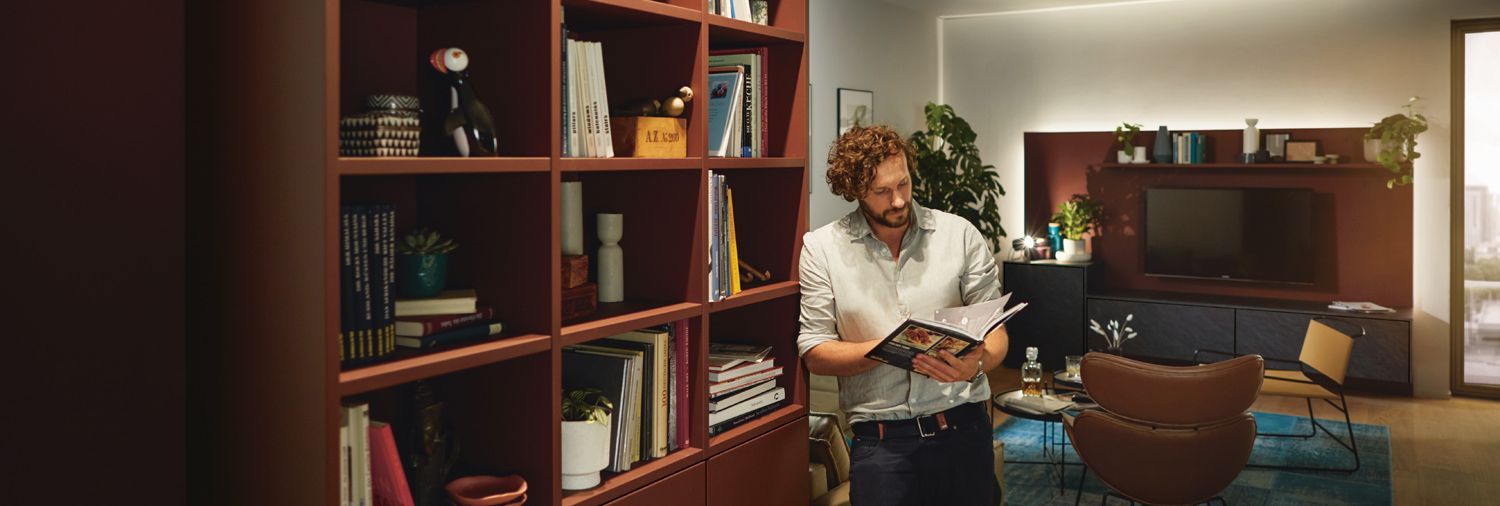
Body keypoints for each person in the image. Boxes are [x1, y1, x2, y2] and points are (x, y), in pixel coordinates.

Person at [798, 125, 1008, 506]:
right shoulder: (821, 249)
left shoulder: (959, 234)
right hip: (882, 447)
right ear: (854, 190)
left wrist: (975, 367)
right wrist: (888, 348)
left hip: (963, 428)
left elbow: (995, 331)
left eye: (904, 184)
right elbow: (814, 350)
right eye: (881, 192)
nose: (898, 201)